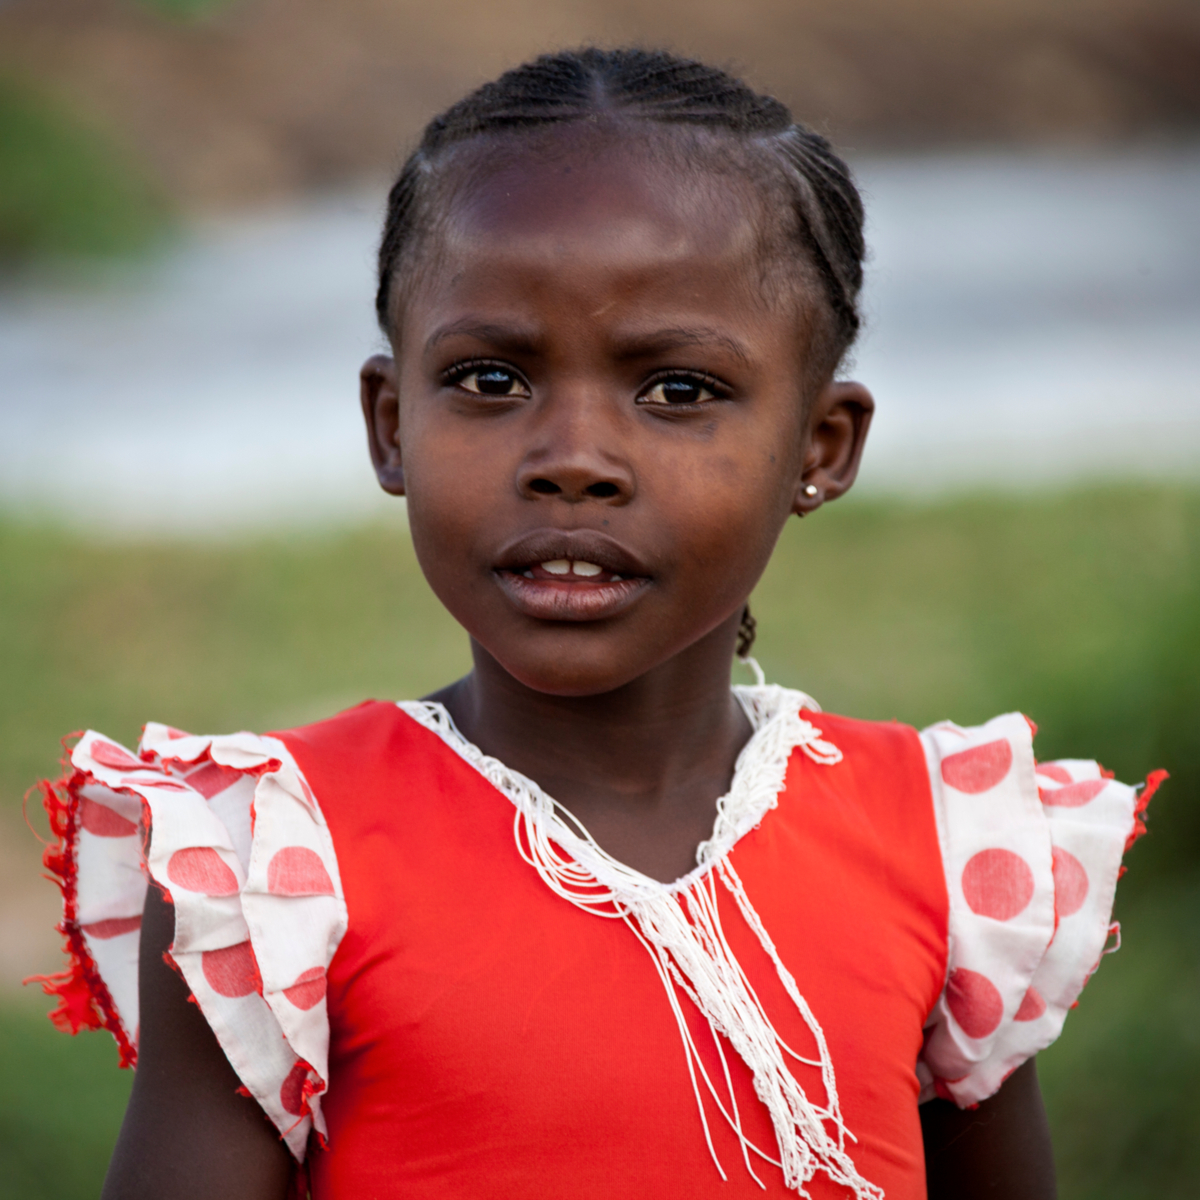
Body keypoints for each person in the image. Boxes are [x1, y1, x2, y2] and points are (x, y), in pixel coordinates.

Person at [33, 47, 1165, 1200]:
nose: (573, 460)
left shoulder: (945, 847)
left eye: (676, 390)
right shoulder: (278, 870)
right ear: (389, 426)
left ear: (820, 449)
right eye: (488, 380)